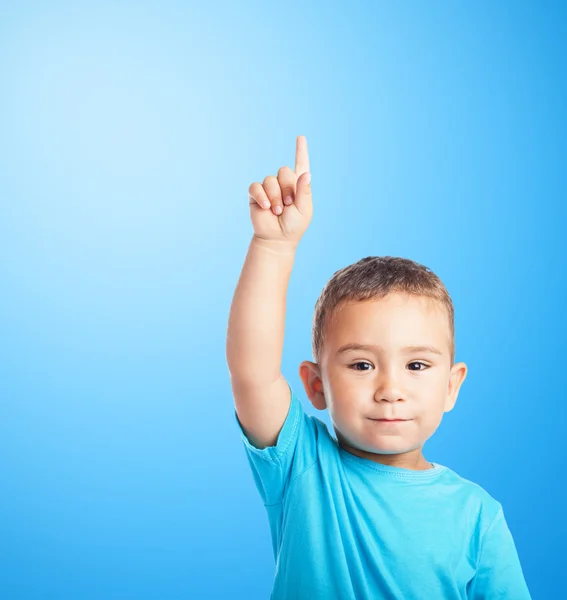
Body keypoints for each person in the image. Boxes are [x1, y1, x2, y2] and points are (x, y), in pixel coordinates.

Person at [226, 136, 531, 599]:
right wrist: (274, 247)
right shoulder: (303, 467)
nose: (391, 389)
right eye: (363, 364)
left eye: (416, 365)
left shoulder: (477, 517)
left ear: (452, 386)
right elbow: (252, 371)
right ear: (315, 384)